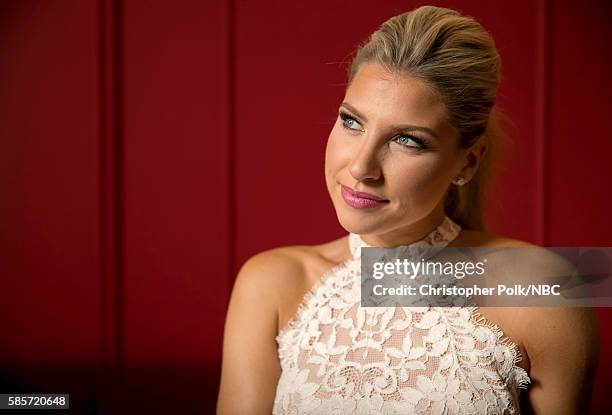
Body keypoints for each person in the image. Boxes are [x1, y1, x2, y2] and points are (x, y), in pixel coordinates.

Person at [216, 5, 599, 414]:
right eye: (351, 121)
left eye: (408, 141)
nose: (361, 167)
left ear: (466, 163)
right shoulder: (270, 285)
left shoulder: (548, 290)